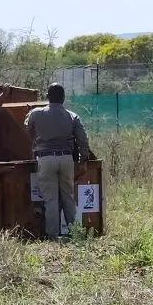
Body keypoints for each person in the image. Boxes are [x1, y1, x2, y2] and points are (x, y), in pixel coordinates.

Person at [25, 83, 94, 239]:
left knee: (50, 199)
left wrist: (35, 145)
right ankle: (75, 233)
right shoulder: (73, 116)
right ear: (63, 98)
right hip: (66, 158)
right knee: (68, 197)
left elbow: (27, 129)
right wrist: (83, 161)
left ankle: (53, 236)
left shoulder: (36, 113)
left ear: (47, 97)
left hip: (45, 158)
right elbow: (83, 140)